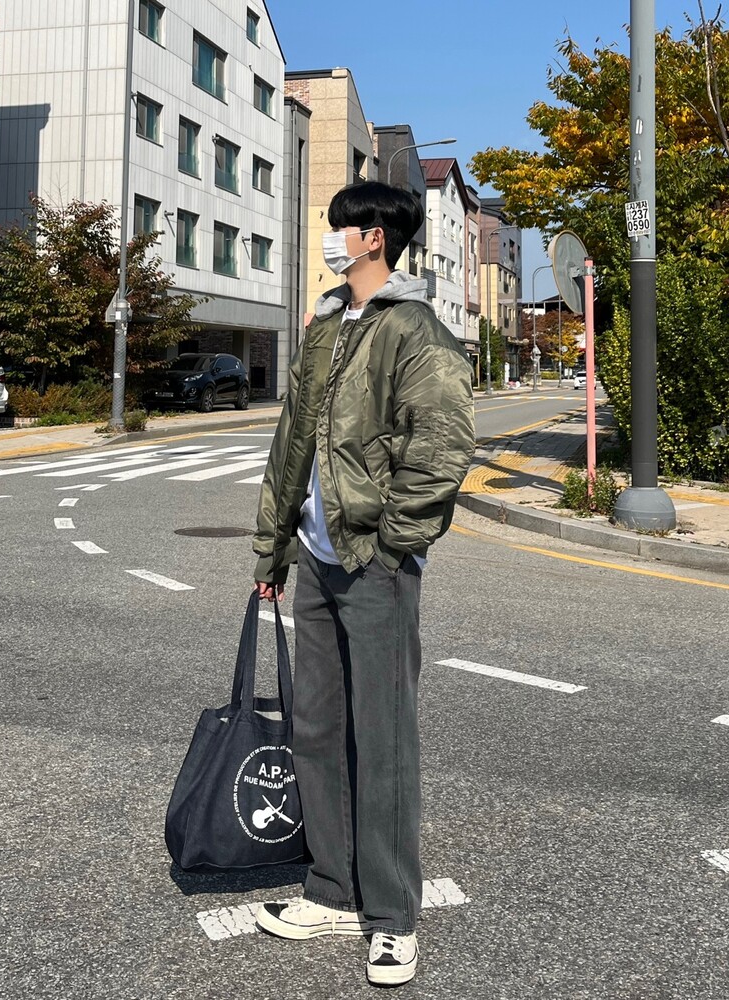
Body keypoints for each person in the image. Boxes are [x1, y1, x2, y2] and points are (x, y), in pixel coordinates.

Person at [251, 181, 475, 988]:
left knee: (382, 740)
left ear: (374, 237)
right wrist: (273, 548)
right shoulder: (325, 323)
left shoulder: (413, 330)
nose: (332, 236)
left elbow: (443, 445)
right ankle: (333, 889)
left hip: (371, 560)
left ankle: (391, 915)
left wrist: (392, 545)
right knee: (316, 728)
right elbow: (293, 439)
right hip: (316, 558)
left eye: (341, 225)